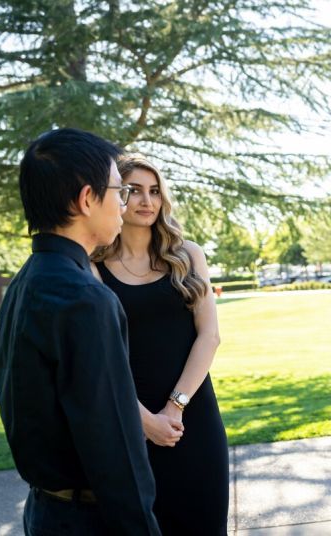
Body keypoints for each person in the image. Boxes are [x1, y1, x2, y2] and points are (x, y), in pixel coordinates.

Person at [0, 128, 160, 535]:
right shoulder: (86, 299)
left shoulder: (24, 284)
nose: (123, 206)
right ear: (87, 199)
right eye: (120, 191)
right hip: (90, 522)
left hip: (44, 513)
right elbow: (115, 445)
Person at [91, 153, 229, 534]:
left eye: (154, 191)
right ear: (115, 195)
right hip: (127, 420)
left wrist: (173, 409)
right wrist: (144, 420)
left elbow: (210, 335)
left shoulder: (188, 255)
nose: (146, 201)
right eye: (133, 191)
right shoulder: (93, 265)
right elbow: (100, 357)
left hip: (192, 418)